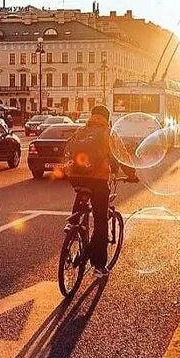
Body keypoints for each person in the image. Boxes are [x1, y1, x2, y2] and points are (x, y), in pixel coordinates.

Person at [64, 104, 116, 274]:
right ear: (106, 118)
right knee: (101, 221)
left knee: (82, 191)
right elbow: (119, 156)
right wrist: (131, 174)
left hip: (76, 176)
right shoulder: (108, 134)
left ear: (92, 116)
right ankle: (99, 266)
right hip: (98, 180)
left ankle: (73, 223)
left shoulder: (81, 131)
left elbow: (68, 149)